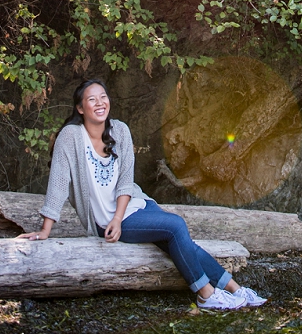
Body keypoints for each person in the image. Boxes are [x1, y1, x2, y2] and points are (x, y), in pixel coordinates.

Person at [19, 77, 267, 312]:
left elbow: (127, 181)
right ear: (80, 108)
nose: (100, 103)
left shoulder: (120, 131)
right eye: (91, 99)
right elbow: (59, 183)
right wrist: (45, 230)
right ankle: (207, 295)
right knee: (176, 226)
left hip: (133, 207)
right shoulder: (70, 137)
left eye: (103, 97)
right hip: (105, 221)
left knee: (178, 238)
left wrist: (119, 217)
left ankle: (236, 290)